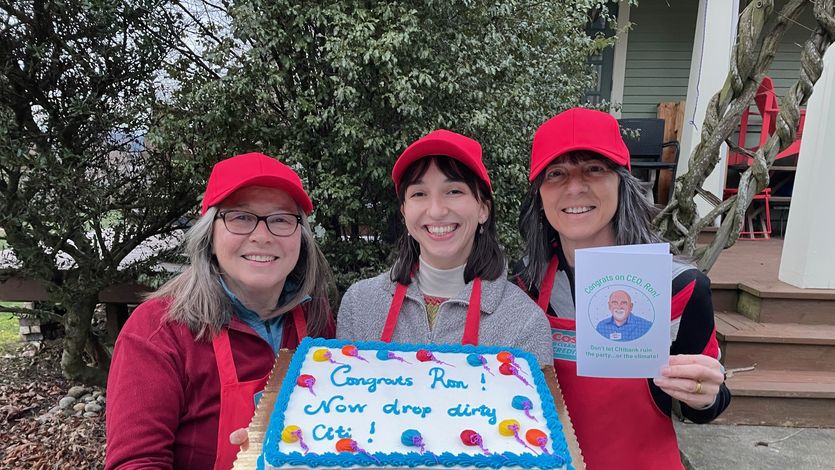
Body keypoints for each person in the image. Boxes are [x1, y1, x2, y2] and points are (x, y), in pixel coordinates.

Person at [513, 108, 730, 469]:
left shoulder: (679, 287)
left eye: (594, 169)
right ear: (540, 194)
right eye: (556, 173)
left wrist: (703, 396)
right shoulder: (524, 286)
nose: (575, 186)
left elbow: (706, 406)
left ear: (621, 181)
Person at [105, 152, 335, 470]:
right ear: (210, 235)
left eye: (281, 219)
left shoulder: (316, 319)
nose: (262, 236)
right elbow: (136, 463)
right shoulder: (158, 330)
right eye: (241, 217)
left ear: (301, 237)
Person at [338, 129, 552, 367]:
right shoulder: (359, 305)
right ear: (404, 212)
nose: (437, 210)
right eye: (419, 193)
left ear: (483, 209)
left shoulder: (524, 322)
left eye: (453, 191)